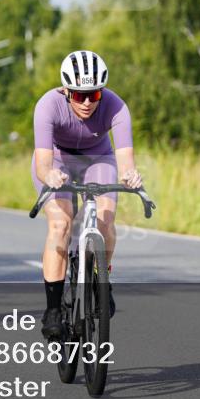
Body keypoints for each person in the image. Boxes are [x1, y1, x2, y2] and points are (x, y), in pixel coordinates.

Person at [31, 50, 142, 338]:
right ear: (66, 90)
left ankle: (101, 280)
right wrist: (50, 175)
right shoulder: (48, 105)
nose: (87, 102)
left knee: (105, 218)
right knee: (61, 224)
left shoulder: (116, 107)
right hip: (57, 160)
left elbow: (125, 158)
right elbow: (42, 163)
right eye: (79, 96)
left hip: (98, 158)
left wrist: (130, 175)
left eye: (94, 95)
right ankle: (53, 309)